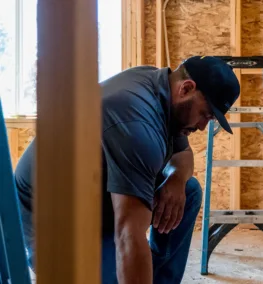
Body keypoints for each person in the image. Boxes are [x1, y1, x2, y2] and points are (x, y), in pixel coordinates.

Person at [14, 55, 240, 283]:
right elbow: (128, 234)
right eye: (205, 114)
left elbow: (183, 154)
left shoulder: (162, 88)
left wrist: (176, 178)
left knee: (188, 191)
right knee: (125, 256)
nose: (202, 127)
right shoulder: (136, 124)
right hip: (52, 220)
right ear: (187, 88)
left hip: (91, 201)